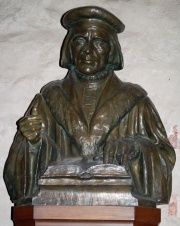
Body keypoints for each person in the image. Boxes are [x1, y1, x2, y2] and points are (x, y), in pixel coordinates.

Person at [4, 6, 175, 206]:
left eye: (99, 42)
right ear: (70, 48)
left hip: (120, 208)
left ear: (112, 50)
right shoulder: (48, 98)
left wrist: (137, 147)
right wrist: (33, 143)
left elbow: (164, 156)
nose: (88, 50)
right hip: (57, 207)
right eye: (79, 41)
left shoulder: (136, 100)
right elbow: (18, 177)